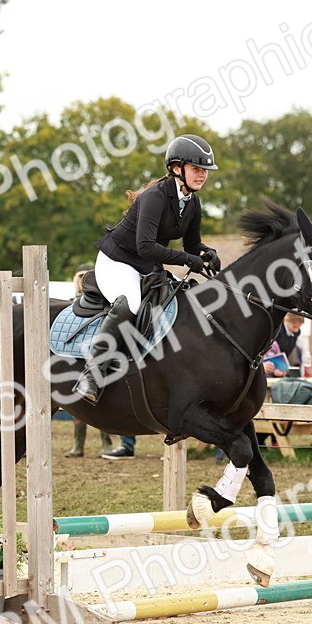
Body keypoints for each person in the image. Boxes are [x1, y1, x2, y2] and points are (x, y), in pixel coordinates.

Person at [73, 134, 220, 404]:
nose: (202, 175)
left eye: (205, 171)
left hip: (146, 264)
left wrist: (205, 253)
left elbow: (192, 244)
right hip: (118, 260)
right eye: (196, 169)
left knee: (184, 296)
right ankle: (91, 374)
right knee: (130, 302)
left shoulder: (193, 203)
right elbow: (145, 246)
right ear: (177, 168)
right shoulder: (155, 197)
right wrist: (188, 260)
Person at [65, 264, 114, 458]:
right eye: (79, 276)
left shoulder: (103, 302)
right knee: (77, 405)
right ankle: (78, 445)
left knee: (101, 399)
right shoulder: (68, 304)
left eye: (86, 276)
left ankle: (107, 443)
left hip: (97, 354)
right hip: (75, 357)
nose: (82, 279)